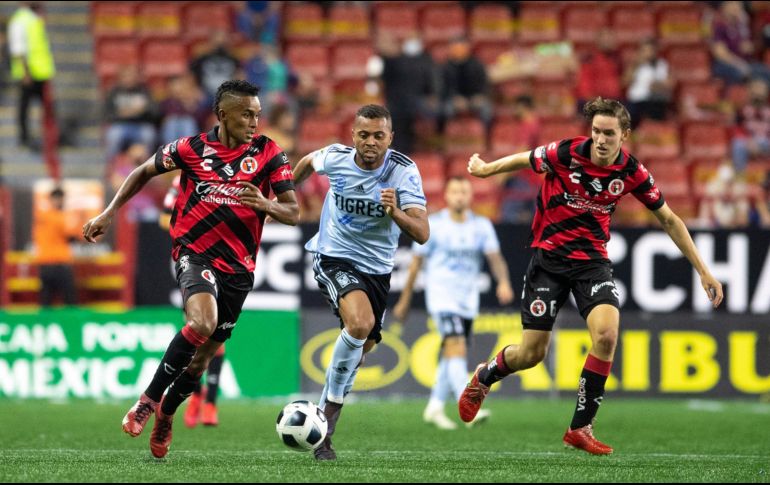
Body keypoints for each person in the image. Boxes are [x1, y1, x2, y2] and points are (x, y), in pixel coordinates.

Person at [461, 97, 724, 455]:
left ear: (624, 135)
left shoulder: (632, 172)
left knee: (607, 334)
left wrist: (704, 271)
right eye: (596, 131)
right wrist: (487, 169)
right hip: (549, 260)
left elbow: (670, 219)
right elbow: (527, 158)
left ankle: (580, 427)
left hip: (591, 264)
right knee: (531, 354)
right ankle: (485, 375)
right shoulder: (567, 152)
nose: (600, 139)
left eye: (609, 133)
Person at [82, 80, 299, 458]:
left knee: (202, 358)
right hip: (194, 253)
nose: (254, 121)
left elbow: (293, 211)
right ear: (223, 114)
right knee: (201, 322)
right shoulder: (190, 148)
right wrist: (109, 212)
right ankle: (148, 401)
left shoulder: (268, 153)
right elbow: (142, 172)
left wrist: (265, 205)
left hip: (239, 268)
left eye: (257, 114)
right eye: (247, 114)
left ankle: (167, 414)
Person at [291, 104, 430, 460]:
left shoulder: (403, 171)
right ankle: (326, 427)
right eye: (364, 135)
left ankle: (324, 410)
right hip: (333, 255)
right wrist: (285, 193)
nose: (371, 142)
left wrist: (395, 211)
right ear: (353, 135)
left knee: (361, 348)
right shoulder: (335, 158)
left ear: (390, 138)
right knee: (360, 324)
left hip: (378, 271)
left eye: (378, 136)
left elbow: (423, 233)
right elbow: (307, 162)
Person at [392, 176, 514, 430]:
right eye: (455, 191)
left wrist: (503, 282)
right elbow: (416, 264)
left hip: (468, 300)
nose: (459, 196)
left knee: (452, 353)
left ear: (470, 196)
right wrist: (405, 300)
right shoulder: (433, 225)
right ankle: (467, 399)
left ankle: (434, 407)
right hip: (442, 296)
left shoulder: (481, 226)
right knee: (456, 345)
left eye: (464, 191)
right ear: (446, 196)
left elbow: (496, 258)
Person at [159, 175, 227, 428]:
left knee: (219, 333)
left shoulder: (229, 179)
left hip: (224, 260)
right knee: (196, 329)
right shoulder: (181, 182)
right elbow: (163, 217)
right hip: (193, 261)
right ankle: (196, 396)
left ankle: (210, 402)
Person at [7, 1, 55, 150]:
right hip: (29, 73)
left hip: (41, 72)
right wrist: (25, 73)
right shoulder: (19, 20)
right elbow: (18, 49)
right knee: (25, 107)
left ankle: (50, 136)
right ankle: (24, 138)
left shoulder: (34, 18)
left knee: (47, 108)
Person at [33, 186, 77, 306]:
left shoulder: (41, 216)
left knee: (46, 299)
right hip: (60, 262)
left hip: (44, 262)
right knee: (69, 299)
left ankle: (45, 324)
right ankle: (70, 324)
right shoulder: (61, 217)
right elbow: (72, 237)